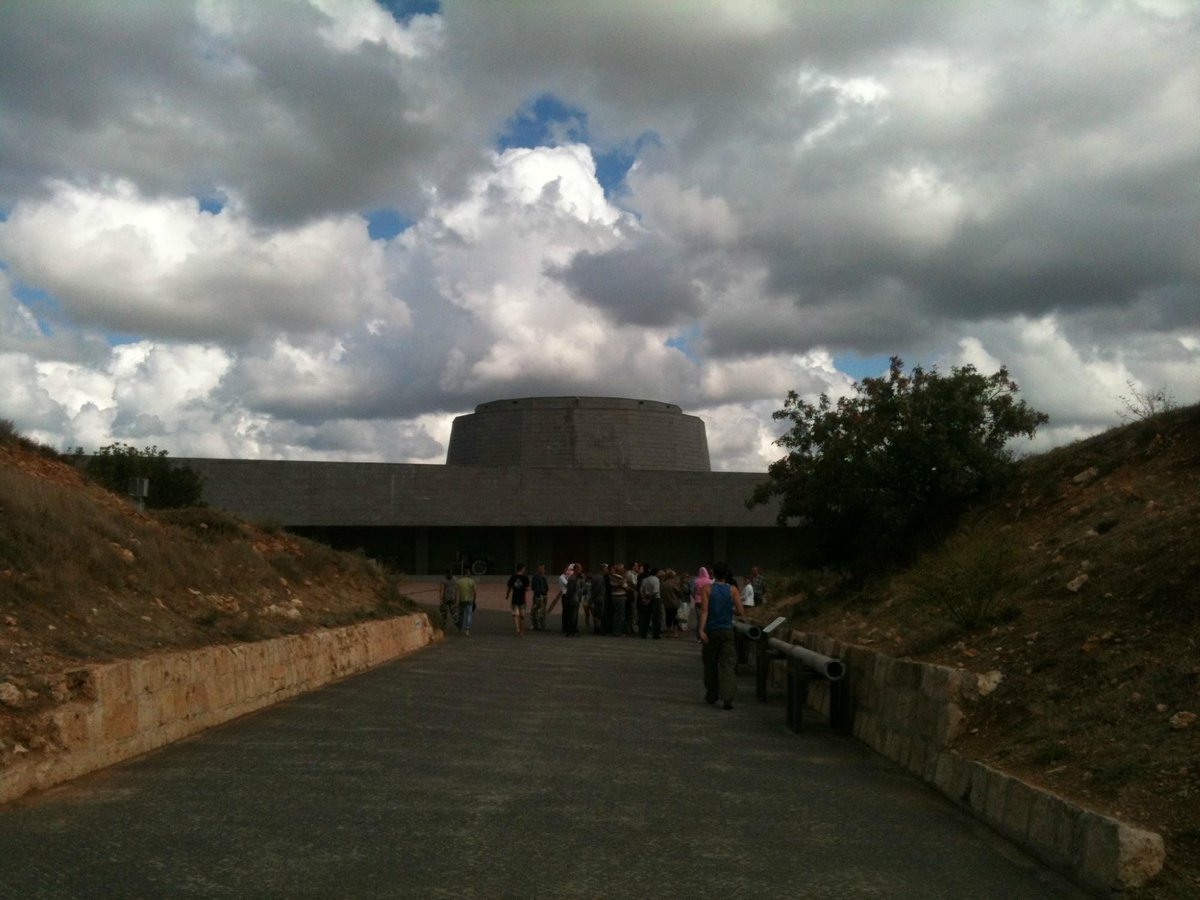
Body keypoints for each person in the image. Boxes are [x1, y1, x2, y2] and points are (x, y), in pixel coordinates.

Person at [699, 562, 745, 710]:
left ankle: (712, 694)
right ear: (726, 574)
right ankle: (728, 697)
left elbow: (704, 611)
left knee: (710, 664)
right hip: (727, 630)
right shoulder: (733, 590)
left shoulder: (707, 589)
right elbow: (740, 611)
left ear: (713, 574)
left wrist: (701, 630)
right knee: (728, 665)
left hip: (711, 630)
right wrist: (729, 610)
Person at [506, 563, 531, 636]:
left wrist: (507, 595)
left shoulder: (513, 577)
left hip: (515, 598)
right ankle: (521, 631)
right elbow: (528, 588)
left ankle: (517, 629)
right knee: (522, 616)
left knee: (515, 615)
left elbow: (509, 587)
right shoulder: (525, 578)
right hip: (522, 599)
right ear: (522, 568)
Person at [637, 566, 662, 639]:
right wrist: (649, 599)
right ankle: (656, 634)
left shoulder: (645, 580)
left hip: (646, 596)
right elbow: (655, 591)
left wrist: (644, 598)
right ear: (656, 572)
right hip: (655, 599)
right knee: (656, 618)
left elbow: (641, 590)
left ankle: (643, 633)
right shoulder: (656, 580)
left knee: (645, 617)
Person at [690, 566, 712, 641]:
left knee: (699, 619)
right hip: (706, 601)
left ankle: (698, 637)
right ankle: (705, 635)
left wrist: (696, 597)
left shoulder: (696, 581)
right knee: (706, 619)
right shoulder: (709, 581)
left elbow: (694, 591)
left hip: (698, 601)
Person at [608, 563, 629, 636]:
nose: (624, 570)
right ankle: (618, 631)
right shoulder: (619, 577)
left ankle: (616, 630)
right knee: (620, 615)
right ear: (619, 570)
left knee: (616, 614)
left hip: (614, 596)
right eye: (623, 568)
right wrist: (625, 578)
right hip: (620, 597)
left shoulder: (612, 576)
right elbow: (626, 587)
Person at [561, 563, 582, 636]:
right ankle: (570, 631)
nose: (581, 570)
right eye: (579, 569)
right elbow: (570, 590)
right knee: (572, 616)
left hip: (575, 599)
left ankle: (572, 630)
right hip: (573, 599)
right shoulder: (572, 578)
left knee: (574, 616)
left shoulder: (577, 578)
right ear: (576, 569)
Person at [660, 570, 682, 636]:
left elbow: (661, 593)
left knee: (668, 617)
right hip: (675, 602)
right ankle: (675, 633)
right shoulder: (675, 583)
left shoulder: (664, 584)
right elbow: (679, 593)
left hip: (667, 603)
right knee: (676, 618)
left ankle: (669, 632)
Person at [456, 570, 477, 635]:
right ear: (468, 574)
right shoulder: (472, 581)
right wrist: (474, 600)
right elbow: (475, 592)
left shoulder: (459, 581)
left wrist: (457, 601)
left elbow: (457, 592)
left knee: (461, 615)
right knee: (468, 615)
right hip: (469, 600)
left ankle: (459, 628)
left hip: (461, 600)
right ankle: (467, 629)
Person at [531, 564, 550, 631]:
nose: (542, 570)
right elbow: (535, 587)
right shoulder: (536, 577)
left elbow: (546, 587)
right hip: (538, 596)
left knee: (542, 611)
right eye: (541, 568)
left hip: (544, 596)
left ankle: (541, 624)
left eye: (543, 568)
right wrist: (539, 593)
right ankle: (536, 624)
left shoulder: (543, 577)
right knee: (536, 611)